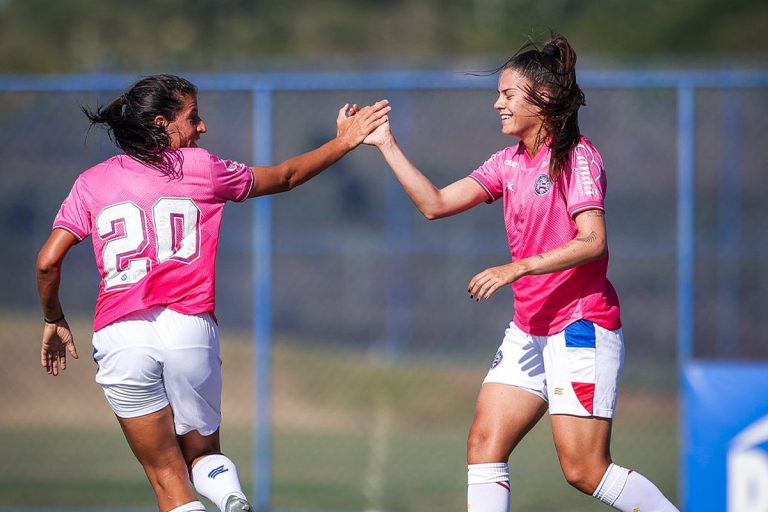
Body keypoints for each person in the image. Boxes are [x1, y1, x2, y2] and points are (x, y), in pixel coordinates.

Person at [35, 74, 390, 512]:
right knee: (202, 453)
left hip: (121, 335)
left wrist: (53, 318)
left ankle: (220, 498)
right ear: (163, 124)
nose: (202, 128)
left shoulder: (91, 182)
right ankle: (229, 494)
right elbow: (286, 176)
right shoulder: (202, 168)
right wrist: (345, 141)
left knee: (168, 479)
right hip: (189, 327)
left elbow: (47, 261)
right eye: (194, 118)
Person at [362, 36, 678, 511]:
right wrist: (386, 143)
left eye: (508, 95)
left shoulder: (577, 157)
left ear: (544, 100)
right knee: (484, 442)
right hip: (530, 329)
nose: (498, 104)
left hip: (579, 326)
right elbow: (435, 204)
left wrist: (519, 267)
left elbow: (593, 241)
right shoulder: (507, 163)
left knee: (584, 470)